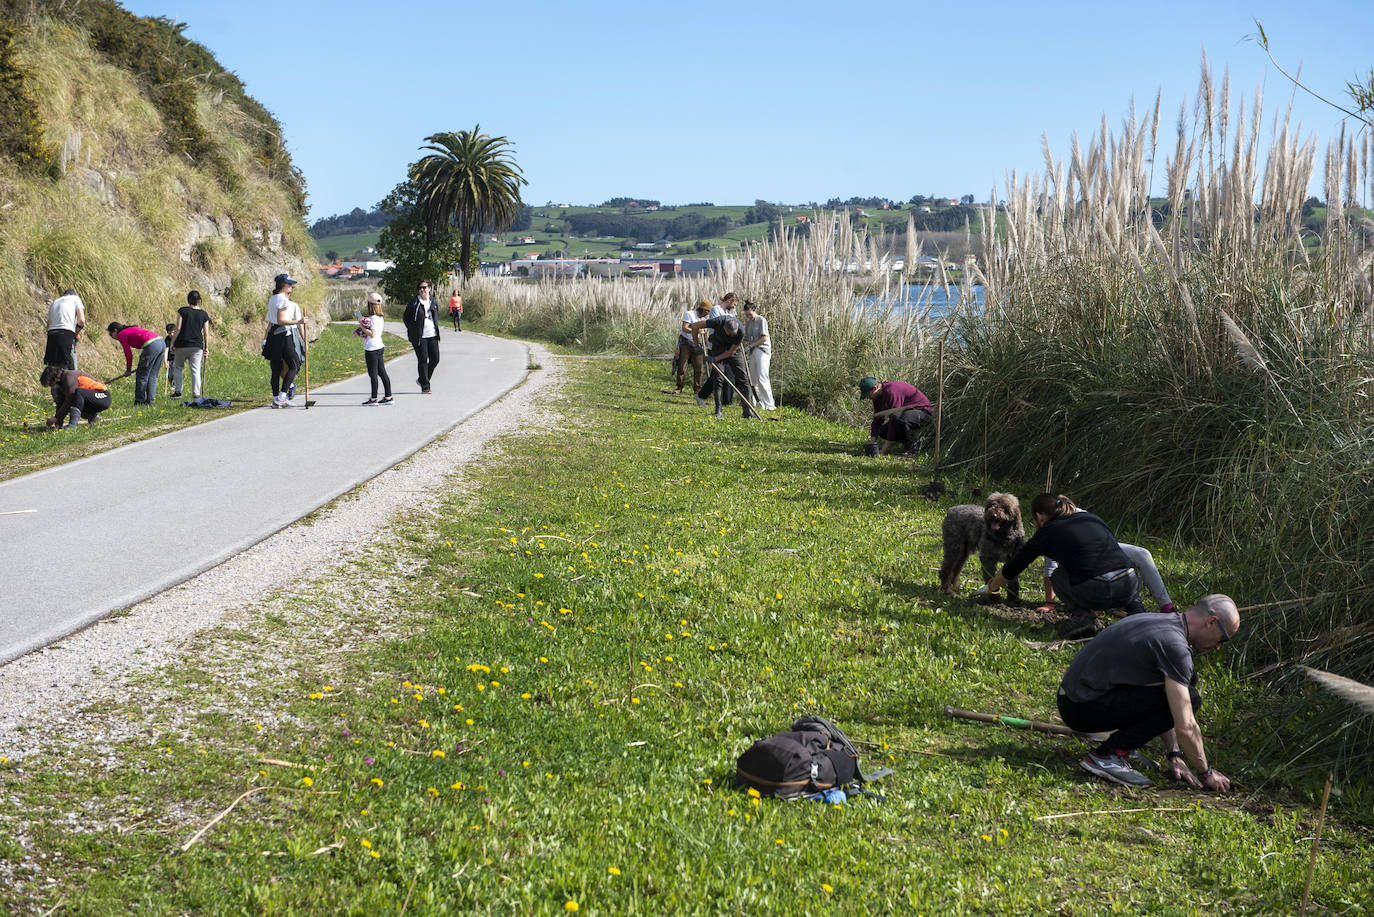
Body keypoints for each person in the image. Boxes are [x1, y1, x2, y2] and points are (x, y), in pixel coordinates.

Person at [1056, 594, 1238, 791]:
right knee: (1191, 699)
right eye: (1224, 638)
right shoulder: (1174, 646)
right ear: (1212, 622)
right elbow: (1185, 726)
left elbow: (1165, 699)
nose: (1219, 646)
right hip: (1080, 706)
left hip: (1075, 697)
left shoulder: (1164, 623)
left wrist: (1174, 754)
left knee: (1187, 681)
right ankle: (1108, 755)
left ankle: (1125, 747)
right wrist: (1206, 773)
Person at [983, 493, 1147, 637]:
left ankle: (1083, 618)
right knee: (1123, 568)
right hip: (1129, 585)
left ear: (1040, 516)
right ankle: (1138, 614)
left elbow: (1014, 566)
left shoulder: (1046, 533)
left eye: (1034, 520)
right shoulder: (1092, 518)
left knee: (1058, 575)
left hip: (1098, 589)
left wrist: (993, 585)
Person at [687, 313, 757, 418]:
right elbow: (695, 326)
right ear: (724, 328)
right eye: (730, 333)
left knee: (743, 379)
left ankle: (747, 412)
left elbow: (730, 353)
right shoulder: (718, 322)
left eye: (734, 333)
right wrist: (696, 345)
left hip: (733, 351)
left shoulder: (740, 332)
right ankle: (718, 410)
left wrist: (714, 359)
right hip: (718, 348)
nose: (733, 335)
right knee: (718, 379)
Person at [859, 377, 932, 455]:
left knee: (896, 418)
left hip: (924, 414)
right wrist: (872, 444)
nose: (868, 397)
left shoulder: (891, 392)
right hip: (905, 415)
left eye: (868, 395)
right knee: (882, 431)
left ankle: (912, 447)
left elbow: (893, 420)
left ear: (875, 388)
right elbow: (877, 420)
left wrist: (884, 449)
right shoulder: (876, 396)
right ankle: (913, 442)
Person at [264, 273, 305, 408]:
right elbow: (281, 321)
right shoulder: (283, 300)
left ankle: (276, 398)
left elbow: (271, 322)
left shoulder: (273, 299)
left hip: (273, 335)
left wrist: (265, 339)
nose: (291, 287)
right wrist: (299, 321)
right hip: (283, 335)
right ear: (284, 286)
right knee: (294, 365)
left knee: (276, 369)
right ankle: (282, 396)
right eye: (290, 285)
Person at [106, 322, 167, 405]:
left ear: (115, 330)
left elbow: (128, 353)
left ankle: (139, 401)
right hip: (161, 342)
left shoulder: (121, 334)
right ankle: (150, 401)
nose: (112, 337)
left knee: (142, 375)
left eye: (111, 334)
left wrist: (128, 369)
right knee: (152, 375)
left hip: (152, 345)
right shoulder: (128, 330)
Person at [169, 290, 212, 399]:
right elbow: (206, 333)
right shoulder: (204, 314)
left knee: (178, 367)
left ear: (188, 299)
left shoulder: (182, 311)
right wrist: (206, 348)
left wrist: (172, 342)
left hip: (181, 344)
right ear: (199, 300)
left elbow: (178, 328)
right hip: (197, 346)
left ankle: (178, 392)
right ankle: (196, 393)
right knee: (195, 370)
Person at [40, 364, 111, 428]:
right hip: (92, 399)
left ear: (54, 378)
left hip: (103, 397)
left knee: (77, 394)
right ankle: (94, 418)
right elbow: (61, 404)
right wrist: (58, 422)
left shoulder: (69, 377)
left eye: (50, 384)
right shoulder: (60, 384)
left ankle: (73, 425)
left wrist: (56, 417)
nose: (51, 386)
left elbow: (70, 400)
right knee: (74, 403)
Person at [403, 279, 441, 393]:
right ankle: (425, 386)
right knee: (423, 359)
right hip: (420, 337)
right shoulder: (414, 302)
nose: (422, 290)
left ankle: (422, 379)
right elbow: (406, 318)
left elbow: (436, 316)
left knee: (435, 359)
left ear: (429, 288)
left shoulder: (433, 302)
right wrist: (412, 329)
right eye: (420, 288)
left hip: (432, 334)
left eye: (424, 287)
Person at [357, 292, 393, 404]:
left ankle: (373, 398)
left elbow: (371, 334)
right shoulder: (380, 317)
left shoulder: (372, 318)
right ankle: (388, 396)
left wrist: (361, 325)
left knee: (373, 374)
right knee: (382, 372)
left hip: (371, 349)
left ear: (370, 305)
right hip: (379, 346)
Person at [741, 300, 774, 410]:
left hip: (762, 350)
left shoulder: (761, 320)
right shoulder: (749, 322)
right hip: (753, 351)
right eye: (747, 315)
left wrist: (750, 346)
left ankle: (769, 404)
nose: (749, 316)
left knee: (762, 377)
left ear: (755, 311)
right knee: (753, 378)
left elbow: (764, 337)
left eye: (750, 314)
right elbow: (745, 337)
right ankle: (757, 402)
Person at [673, 300, 711, 394]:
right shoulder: (689, 314)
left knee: (699, 368)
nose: (707, 314)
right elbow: (685, 328)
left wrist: (708, 344)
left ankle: (697, 389)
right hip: (686, 343)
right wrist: (696, 331)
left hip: (697, 344)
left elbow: (705, 334)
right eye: (706, 312)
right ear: (702, 309)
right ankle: (679, 387)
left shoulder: (705, 320)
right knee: (682, 366)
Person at [44, 288, 86, 370]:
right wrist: (75, 334)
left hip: (51, 335)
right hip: (66, 333)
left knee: (53, 369)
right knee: (70, 368)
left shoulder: (54, 302)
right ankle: (71, 381)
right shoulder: (75, 299)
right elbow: (81, 321)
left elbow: (48, 326)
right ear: (74, 294)